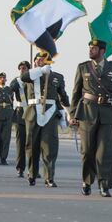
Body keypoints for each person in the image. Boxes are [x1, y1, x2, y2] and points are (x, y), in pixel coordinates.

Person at [69, 40, 112, 197]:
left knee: (104, 152)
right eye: (89, 48)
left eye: (93, 48)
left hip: (107, 115)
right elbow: (76, 93)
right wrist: (73, 115)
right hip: (87, 114)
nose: (90, 50)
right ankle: (87, 182)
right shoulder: (83, 67)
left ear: (102, 51)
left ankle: (103, 184)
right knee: (87, 151)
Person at [21, 52, 70, 187]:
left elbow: (63, 96)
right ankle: (32, 174)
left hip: (50, 113)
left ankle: (49, 177)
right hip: (33, 113)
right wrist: (40, 70)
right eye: (37, 60)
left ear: (48, 62)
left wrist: (69, 113)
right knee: (31, 146)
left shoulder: (57, 77)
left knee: (50, 146)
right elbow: (23, 77)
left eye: (42, 60)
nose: (39, 61)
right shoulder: (32, 75)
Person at [10, 61, 30, 178]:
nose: (22, 70)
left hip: (32, 114)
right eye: (21, 68)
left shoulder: (33, 80)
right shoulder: (17, 81)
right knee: (20, 144)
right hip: (20, 115)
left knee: (32, 144)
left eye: (24, 68)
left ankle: (33, 169)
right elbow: (11, 88)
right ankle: (20, 168)